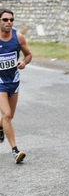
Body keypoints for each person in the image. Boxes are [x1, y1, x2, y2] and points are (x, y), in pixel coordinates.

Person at [0, 8, 32, 163]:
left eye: (11, 20)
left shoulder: (18, 37)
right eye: (5, 20)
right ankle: (15, 151)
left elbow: (29, 55)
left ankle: (0, 127)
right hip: (0, 84)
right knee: (6, 114)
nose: (9, 22)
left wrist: (24, 62)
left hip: (13, 81)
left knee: (9, 116)